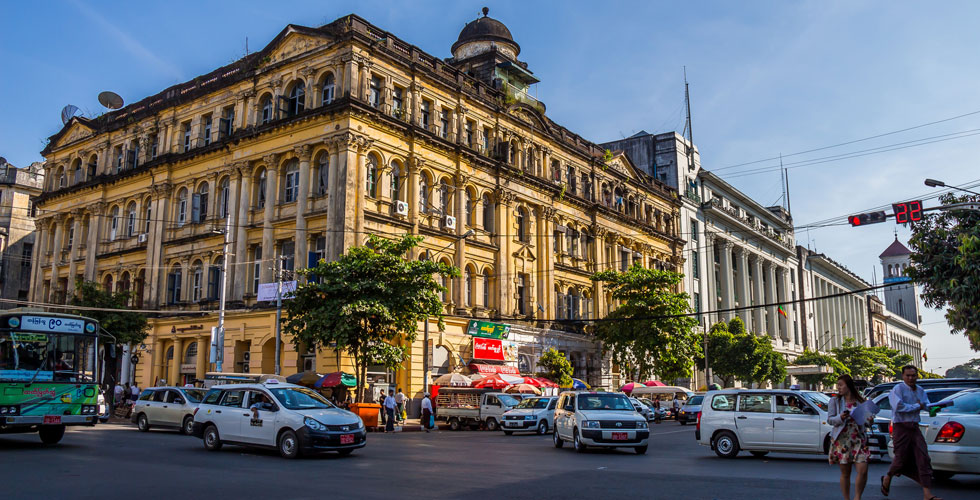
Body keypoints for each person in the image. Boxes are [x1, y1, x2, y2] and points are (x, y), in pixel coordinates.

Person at [881, 365, 941, 500]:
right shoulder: (898, 389)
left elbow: (926, 404)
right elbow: (899, 407)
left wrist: (934, 408)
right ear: (903, 376)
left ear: (917, 376)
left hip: (914, 427)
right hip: (900, 427)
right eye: (908, 375)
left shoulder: (920, 390)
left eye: (913, 375)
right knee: (900, 459)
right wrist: (917, 406)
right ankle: (888, 476)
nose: (910, 378)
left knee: (923, 457)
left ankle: (927, 494)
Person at [828, 374, 872, 500]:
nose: (839, 388)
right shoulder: (835, 401)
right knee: (845, 473)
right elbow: (830, 420)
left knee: (863, 470)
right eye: (838, 385)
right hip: (843, 440)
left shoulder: (861, 401)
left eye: (841, 385)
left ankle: (857, 497)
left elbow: (867, 421)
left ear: (849, 385)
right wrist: (840, 417)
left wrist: (869, 420)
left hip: (859, 438)